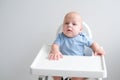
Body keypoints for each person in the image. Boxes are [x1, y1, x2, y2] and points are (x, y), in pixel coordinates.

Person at [48, 11, 105, 80]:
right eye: (66, 23)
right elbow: (55, 45)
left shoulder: (82, 37)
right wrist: (56, 51)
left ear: (80, 29)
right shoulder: (61, 36)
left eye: (74, 24)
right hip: (63, 63)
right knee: (55, 74)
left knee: (79, 76)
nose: (69, 25)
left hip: (79, 64)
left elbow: (92, 43)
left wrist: (97, 49)